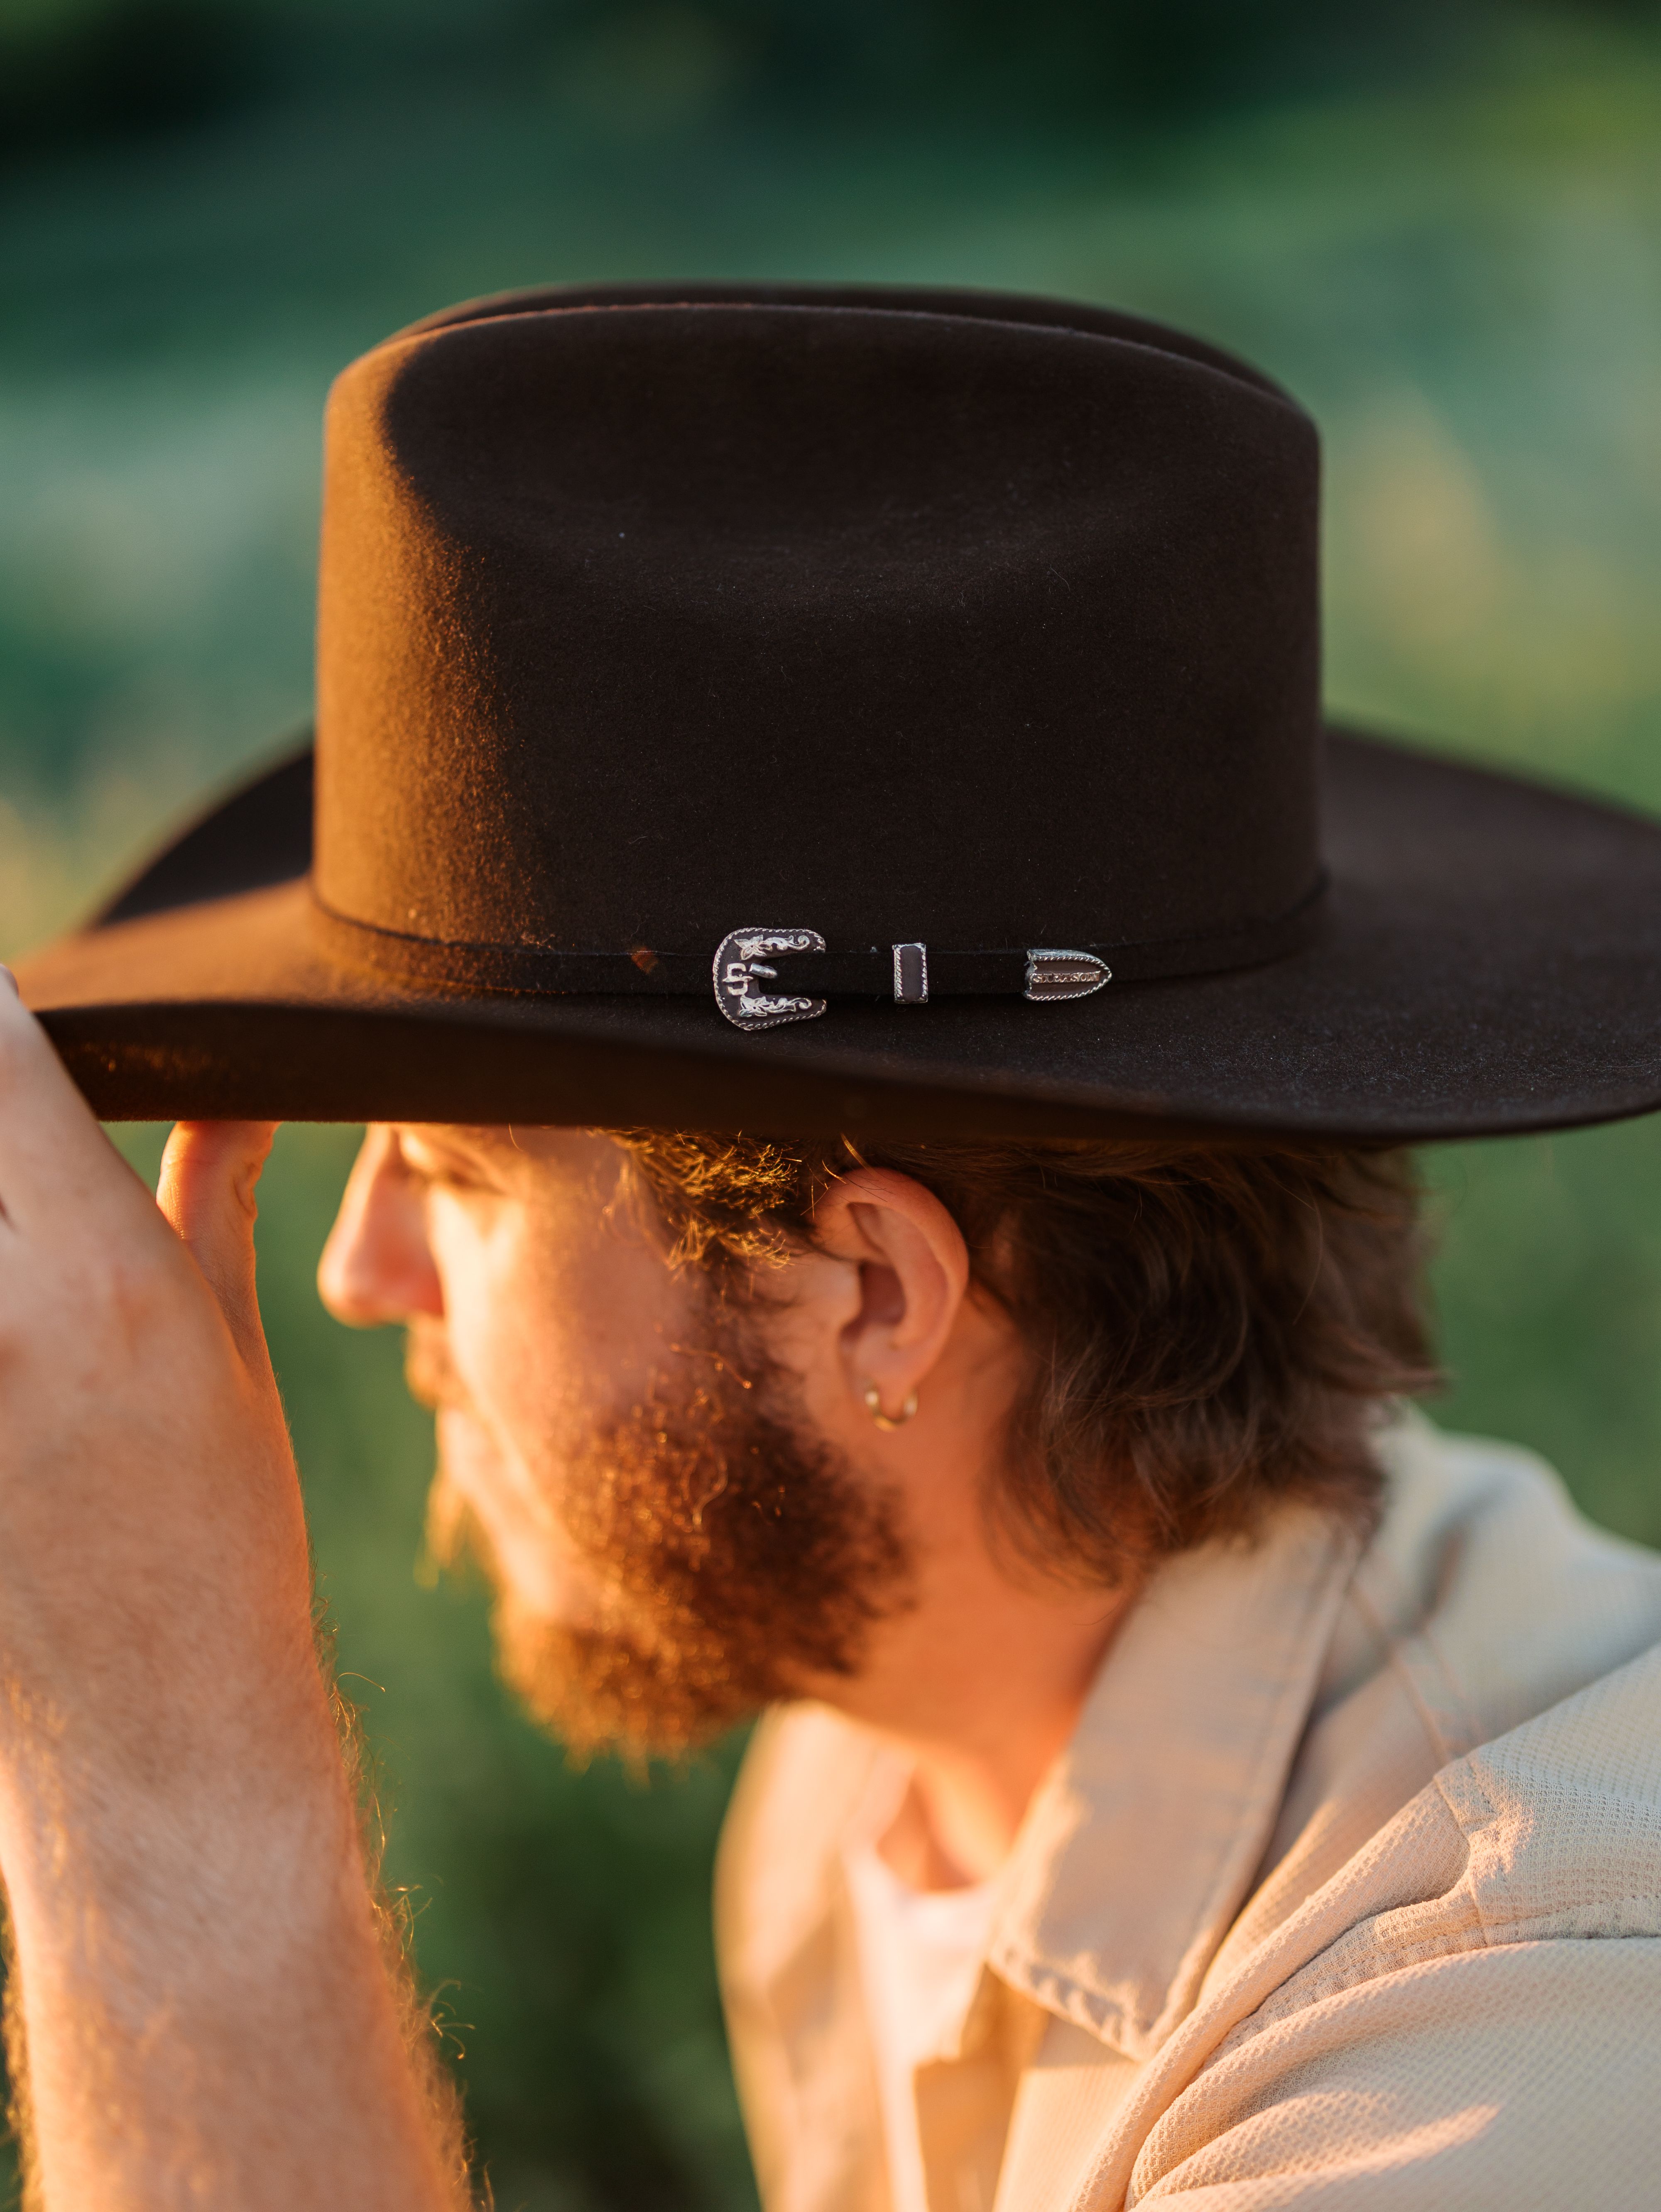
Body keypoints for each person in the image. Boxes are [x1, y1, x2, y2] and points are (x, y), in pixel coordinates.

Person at [6, 281, 1661, 2211]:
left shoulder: (1504, 2033)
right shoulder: (868, 1791)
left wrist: (159, 1733)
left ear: (870, 1293)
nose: (358, 1276)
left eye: (449, 1174)